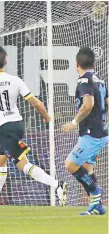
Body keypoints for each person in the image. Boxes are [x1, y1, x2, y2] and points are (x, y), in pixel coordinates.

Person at [0, 46, 66, 211]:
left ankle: (56, 184)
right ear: (6, 62)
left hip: (2, 129)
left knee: (22, 165)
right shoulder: (15, 80)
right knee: (0, 161)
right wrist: (46, 116)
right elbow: (35, 102)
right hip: (17, 125)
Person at [62, 47, 107, 215]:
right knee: (87, 168)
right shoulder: (100, 80)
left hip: (91, 133)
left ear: (77, 64)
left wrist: (74, 122)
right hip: (101, 132)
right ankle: (98, 206)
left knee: (71, 164)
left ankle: (95, 192)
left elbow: (88, 104)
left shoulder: (84, 81)